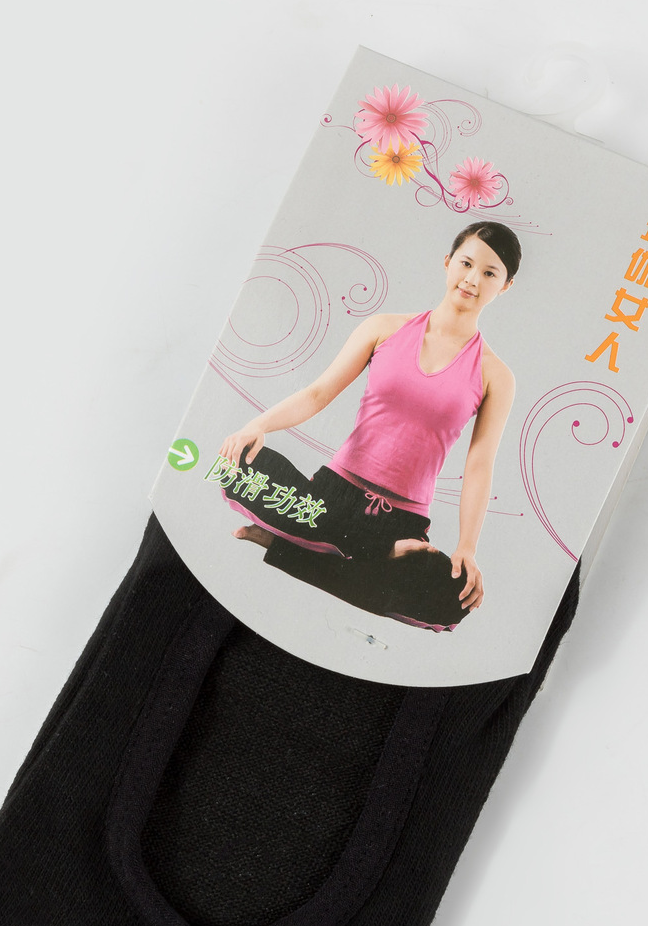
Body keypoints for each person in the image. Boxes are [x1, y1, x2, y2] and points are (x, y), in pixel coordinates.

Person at [216, 221, 519, 631]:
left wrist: (467, 546)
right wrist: (258, 425)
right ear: (448, 262)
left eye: (489, 273)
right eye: (466, 264)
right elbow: (318, 393)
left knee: (454, 598)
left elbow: (480, 463)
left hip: (401, 522)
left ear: (505, 286)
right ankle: (370, 553)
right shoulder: (384, 329)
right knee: (236, 465)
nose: (472, 279)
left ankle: (290, 545)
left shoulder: (495, 375)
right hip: (331, 497)